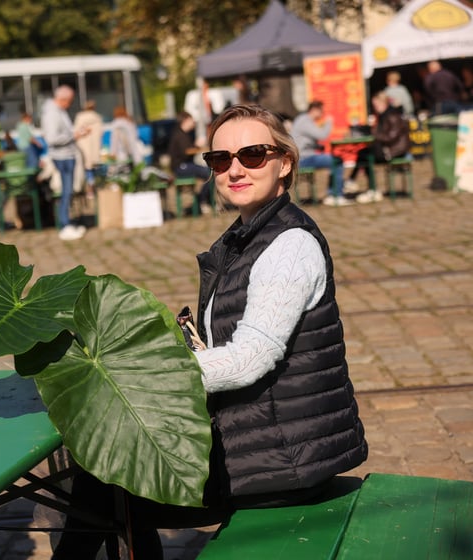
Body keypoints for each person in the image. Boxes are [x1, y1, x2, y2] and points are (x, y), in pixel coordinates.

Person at [52, 104, 368, 559]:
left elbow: (249, 358)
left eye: (253, 155)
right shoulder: (247, 237)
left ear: (285, 163)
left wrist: (137, 374)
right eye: (220, 160)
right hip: (265, 445)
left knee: (110, 480)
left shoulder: (289, 245)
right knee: (111, 477)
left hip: (282, 460)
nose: (235, 169)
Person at [41, 85, 91, 241]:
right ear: (62, 99)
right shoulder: (52, 114)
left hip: (66, 155)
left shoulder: (58, 112)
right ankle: (64, 225)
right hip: (62, 157)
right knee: (66, 192)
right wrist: (74, 135)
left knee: (68, 191)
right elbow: (51, 138)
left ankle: (67, 222)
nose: (69, 104)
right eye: (69, 101)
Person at [350, 92, 411, 204]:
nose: (375, 107)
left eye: (376, 104)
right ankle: (358, 183)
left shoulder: (391, 115)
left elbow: (390, 137)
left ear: (383, 103)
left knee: (366, 156)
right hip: (389, 149)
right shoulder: (383, 115)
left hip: (394, 151)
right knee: (363, 153)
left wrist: (373, 134)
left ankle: (368, 187)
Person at [291, 100, 348, 206]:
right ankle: (336, 195)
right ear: (315, 110)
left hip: (305, 156)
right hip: (303, 159)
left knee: (334, 161)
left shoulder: (304, 120)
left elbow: (307, 142)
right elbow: (322, 135)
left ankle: (335, 191)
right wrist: (329, 122)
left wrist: (318, 146)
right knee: (337, 161)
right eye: (322, 111)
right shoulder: (305, 121)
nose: (323, 115)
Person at [167, 111, 213, 213]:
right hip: (181, 167)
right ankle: (202, 200)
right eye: (191, 120)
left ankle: (204, 199)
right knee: (209, 173)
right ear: (185, 121)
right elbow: (187, 151)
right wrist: (198, 147)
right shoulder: (180, 135)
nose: (193, 123)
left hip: (185, 165)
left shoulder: (182, 134)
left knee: (210, 172)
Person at [73, 100, 103, 189]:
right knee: (92, 165)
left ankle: (87, 185)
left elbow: (76, 132)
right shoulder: (97, 118)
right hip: (94, 148)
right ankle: (93, 184)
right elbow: (101, 133)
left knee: (84, 165)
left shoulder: (80, 117)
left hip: (83, 146)